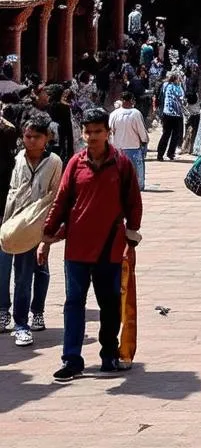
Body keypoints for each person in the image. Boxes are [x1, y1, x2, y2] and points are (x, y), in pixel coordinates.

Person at [41, 106, 143, 381]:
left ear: (108, 133)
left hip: (110, 247)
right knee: (74, 303)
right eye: (88, 132)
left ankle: (108, 354)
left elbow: (134, 203)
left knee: (109, 304)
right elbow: (61, 201)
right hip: (76, 248)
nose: (92, 137)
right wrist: (46, 236)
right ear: (82, 134)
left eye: (98, 131)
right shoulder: (75, 163)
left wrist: (131, 237)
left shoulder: (122, 164)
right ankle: (71, 359)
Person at [0, 112, 62, 346]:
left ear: (46, 138)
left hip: (40, 225)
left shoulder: (54, 162)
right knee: (14, 273)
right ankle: (15, 317)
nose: (32, 141)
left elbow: (55, 195)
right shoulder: (16, 160)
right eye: (28, 136)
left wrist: (50, 227)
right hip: (14, 224)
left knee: (34, 272)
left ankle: (27, 319)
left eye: (37, 137)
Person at [107, 93, 149, 191]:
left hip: (118, 147)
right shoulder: (136, 113)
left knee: (119, 169)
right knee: (137, 170)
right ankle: (139, 186)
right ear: (131, 100)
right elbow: (141, 130)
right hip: (133, 147)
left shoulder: (114, 114)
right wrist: (144, 140)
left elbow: (109, 129)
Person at [156, 70, 185, 162]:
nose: (180, 80)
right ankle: (160, 154)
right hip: (168, 113)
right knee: (166, 134)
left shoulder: (180, 86)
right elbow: (161, 97)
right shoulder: (166, 85)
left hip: (178, 113)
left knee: (175, 135)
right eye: (179, 78)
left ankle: (170, 153)